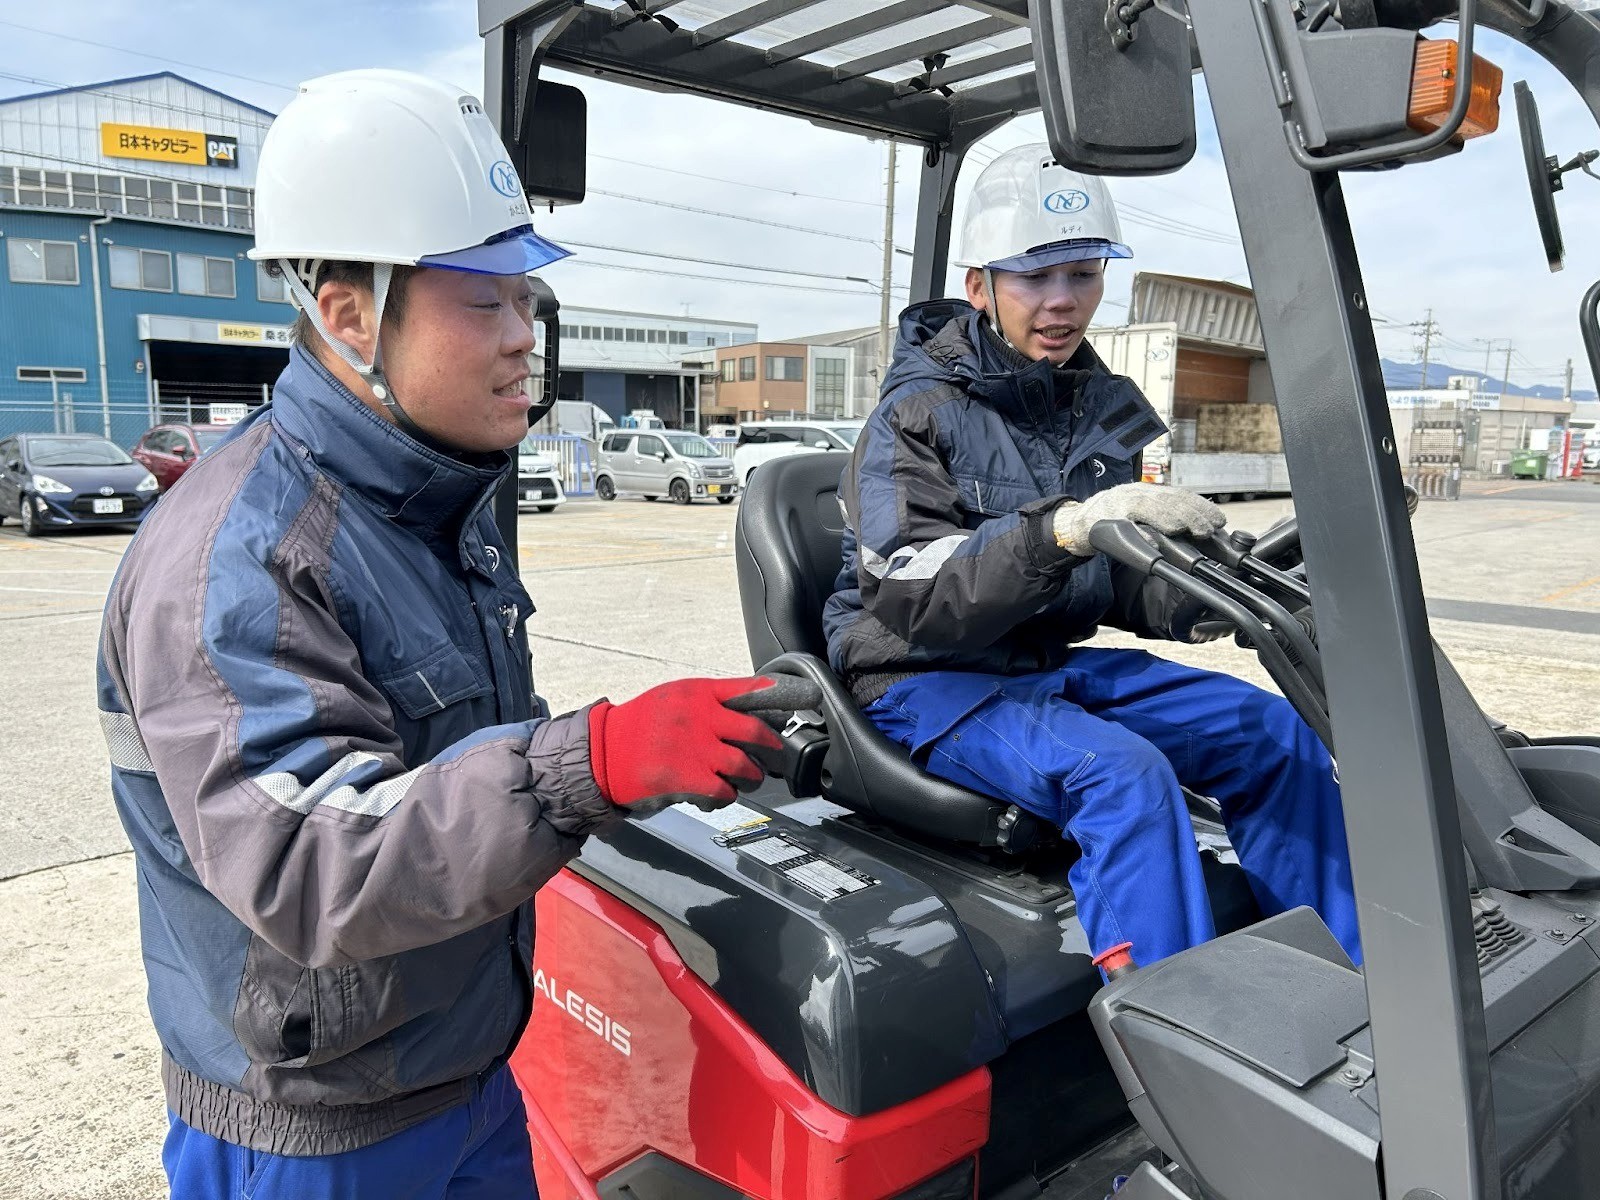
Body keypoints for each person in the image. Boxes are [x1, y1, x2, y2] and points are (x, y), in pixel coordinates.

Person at [97, 69, 793, 1199]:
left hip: (457, 1071)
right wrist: (588, 763)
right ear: (350, 313)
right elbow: (306, 860)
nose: (527, 338)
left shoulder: (421, 507)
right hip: (315, 1134)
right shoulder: (242, 555)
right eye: (486, 302)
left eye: (530, 302)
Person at [821, 144, 1360, 971]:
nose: (1063, 302)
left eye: (1083, 274)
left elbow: (1106, 580)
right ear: (980, 286)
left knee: (1270, 729)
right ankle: (1183, 1033)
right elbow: (911, 596)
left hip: (1038, 667)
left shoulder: (1080, 408)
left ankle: (1352, 972)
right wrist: (1058, 531)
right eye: (1036, 278)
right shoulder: (913, 415)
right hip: (921, 680)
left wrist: (1210, 592)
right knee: (1123, 776)